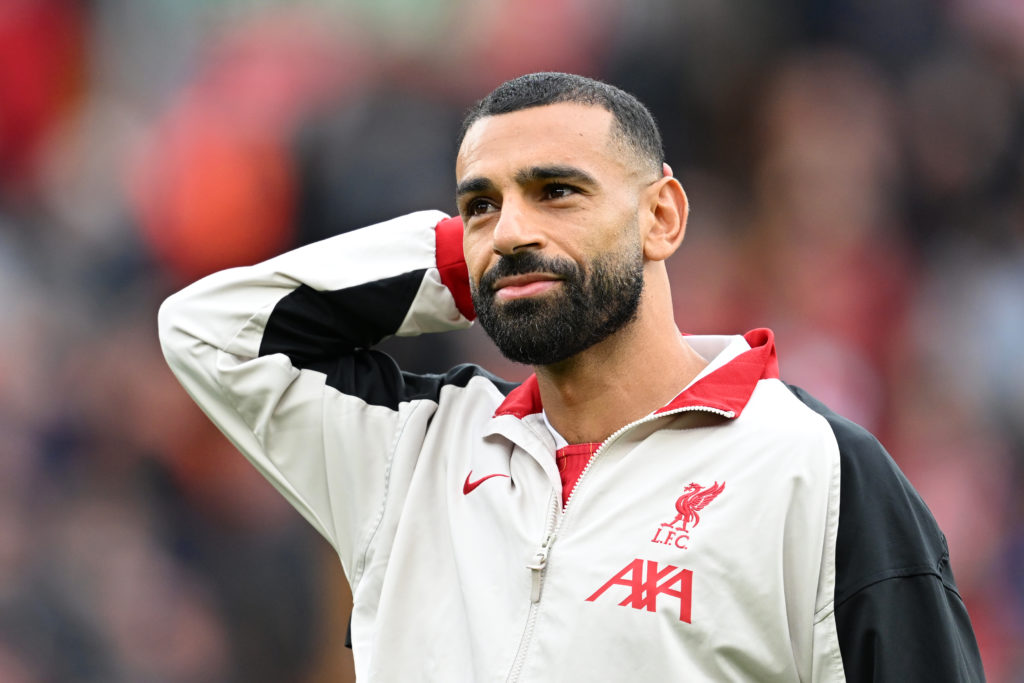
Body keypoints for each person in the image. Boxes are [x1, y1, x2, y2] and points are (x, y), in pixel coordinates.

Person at [158, 72, 985, 681]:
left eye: (557, 191)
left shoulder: (816, 469)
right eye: (481, 202)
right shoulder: (410, 450)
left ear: (661, 217)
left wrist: (505, 240)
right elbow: (207, 332)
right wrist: (465, 259)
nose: (513, 226)